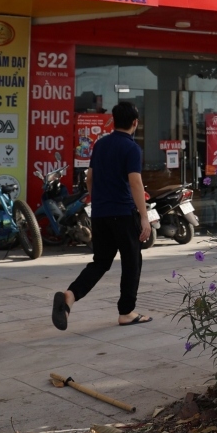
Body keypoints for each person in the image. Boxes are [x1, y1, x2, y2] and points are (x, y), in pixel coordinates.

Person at [52, 102, 152, 330]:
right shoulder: (132, 148)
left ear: (113, 121)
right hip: (123, 213)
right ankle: (126, 312)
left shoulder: (101, 144)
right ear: (135, 123)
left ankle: (70, 295)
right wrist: (144, 217)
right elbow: (135, 182)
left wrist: (97, 202)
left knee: (101, 262)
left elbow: (90, 177)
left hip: (100, 213)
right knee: (132, 262)